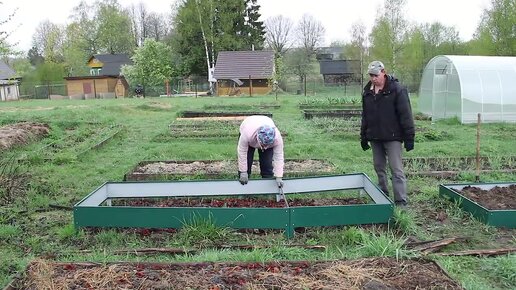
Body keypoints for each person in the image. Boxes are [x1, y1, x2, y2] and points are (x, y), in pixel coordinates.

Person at [360, 61, 415, 207]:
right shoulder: (367, 92)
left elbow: (406, 114)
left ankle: (401, 202)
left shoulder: (397, 89)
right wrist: (364, 136)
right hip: (375, 137)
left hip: (393, 137)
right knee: (379, 167)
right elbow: (365, 115)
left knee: (396, 169)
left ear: (383, 72)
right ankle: (382, 195)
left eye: (376, 75)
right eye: (371, 75)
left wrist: (409, 137)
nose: (373, 78)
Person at [237, 115, 284, 188]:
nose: (264, 148)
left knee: (267, 163)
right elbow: (242, 152)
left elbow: (279, 157)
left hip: (265, 122)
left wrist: (279, 176)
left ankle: (268, 189)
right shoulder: (247, 134)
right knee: (247, 160)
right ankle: (243, 188)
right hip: (249, 126)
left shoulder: (277, 138)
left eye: (266, 145)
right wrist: (243, 172)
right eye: (263, 145)